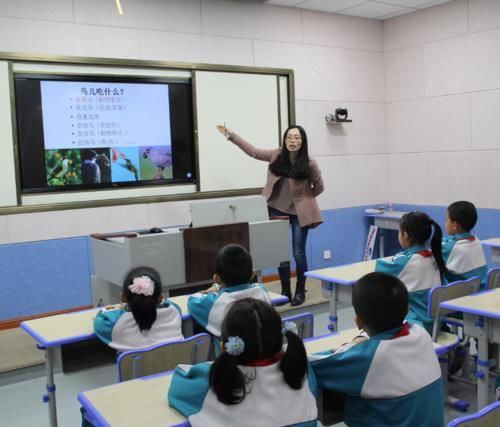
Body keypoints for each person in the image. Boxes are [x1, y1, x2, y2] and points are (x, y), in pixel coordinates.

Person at [310, 272, 444, 427]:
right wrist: (363, 338)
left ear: (358, 322)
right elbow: (409, 321)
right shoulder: (421, 333)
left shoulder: (370, 357)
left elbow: (310, 364)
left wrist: (353, 344)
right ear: (406, 310)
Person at [216, 124, 324, 306]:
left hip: (299, 214)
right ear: (284, 139)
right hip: (276, 209)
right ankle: (285, 290)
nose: (292, 141)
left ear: (303, 141)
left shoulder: (310, 163)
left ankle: (300, 291)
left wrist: (305, 199)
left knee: (299, 254)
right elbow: (253, 151)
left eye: (297, 138)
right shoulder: (276, 156)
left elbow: (319, 186)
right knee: (281, 254)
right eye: (289, 137)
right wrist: (232, 136)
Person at [168, 298, 318, 427]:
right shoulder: (301, 371)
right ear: (281, 342)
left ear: (224, 346)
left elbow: (177, 386)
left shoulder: (210, 381)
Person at [375, 211, 446, 334]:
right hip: (436, 325)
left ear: (406, 235)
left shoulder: (404, 262)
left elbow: (379, 269)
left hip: (415, 325)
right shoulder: (434, 257)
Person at [188, 243, 271, 338]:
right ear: (252, 274)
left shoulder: (214, 303)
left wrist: (217, 288)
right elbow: (255, 285)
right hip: (263, 352)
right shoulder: (261, 290)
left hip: (226, 352)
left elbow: (193, 299)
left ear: (217, 278)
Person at [94, 266, 184, 351]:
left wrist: (121, 308)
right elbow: (169, 303)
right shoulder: (174, 311)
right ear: (160, 298)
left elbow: (101, 317)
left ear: (123, 297)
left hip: (136, 367)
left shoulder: (112, 323)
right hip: (173, 367)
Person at [442, 201, 487, 288]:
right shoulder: (476, 240)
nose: (445, 223)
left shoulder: (449, 248)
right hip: (483, 291)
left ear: (455, 225)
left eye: (446, 220)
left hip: (463, 297)